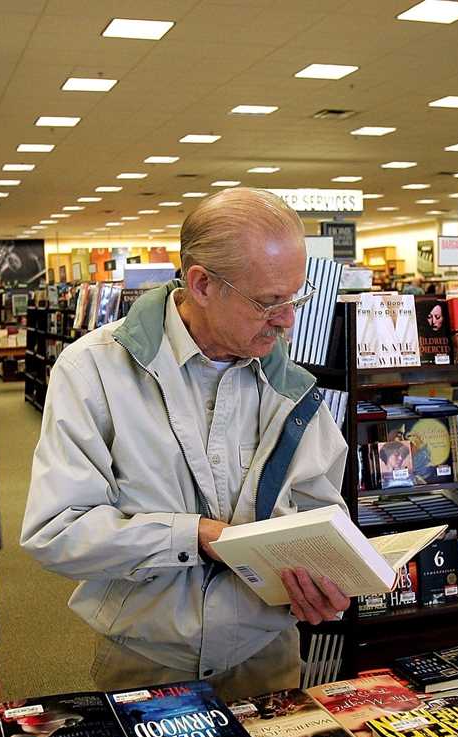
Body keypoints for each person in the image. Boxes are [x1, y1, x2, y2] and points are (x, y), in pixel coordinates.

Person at [21, 188, 350, 700]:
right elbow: (56, 531)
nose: (288, 320)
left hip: (267, 656)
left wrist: (325, 579)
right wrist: (193, 535)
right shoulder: (94, 372)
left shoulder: (294, 389)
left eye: (295, 298)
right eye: (268, 302)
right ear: (201, 284)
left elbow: (319, 512)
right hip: (148, 662)